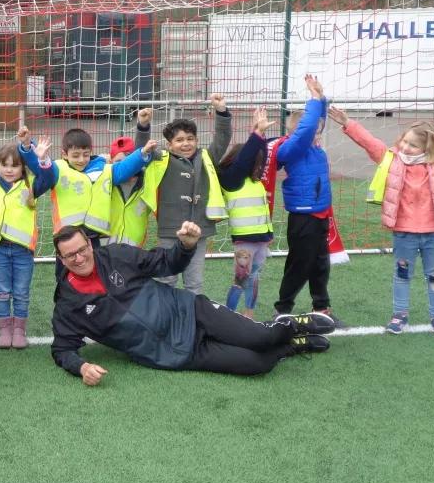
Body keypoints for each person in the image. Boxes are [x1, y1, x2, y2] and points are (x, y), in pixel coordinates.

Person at [50, 224, 334, 382]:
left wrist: (185, 246)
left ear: (89, 244)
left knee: (260, 335)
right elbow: (62, 348)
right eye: (70, 256)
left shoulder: (116, 256)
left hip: (191, 312)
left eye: (82, 249)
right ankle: (292, 345)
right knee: (257, 363)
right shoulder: (68, 305)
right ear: (61, 260)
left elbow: (165, 263)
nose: (79, 258)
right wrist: (82, 367)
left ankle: (292, 325)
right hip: (175, 353)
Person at [328, 93, 434, 338]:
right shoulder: (391, 159)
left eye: (413, 145)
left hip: (433, 234)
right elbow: (369, 142)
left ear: (428, 147)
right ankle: (399, 315)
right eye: (404, 141)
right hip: (404, 233)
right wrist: (347, 122)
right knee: (402, 275)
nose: (405, 147)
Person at [131, 94, 232, 295]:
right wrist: (143, 126)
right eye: (179, 140)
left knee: (194, 282)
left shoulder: (206, 157)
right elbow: (141, 152)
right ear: (169, 144)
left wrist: (221, 112)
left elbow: (222, 139)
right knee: (166, 278)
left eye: (190, 139)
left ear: (196, 140)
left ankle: (192, 319)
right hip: (170, 229)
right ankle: (164, 317)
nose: (185, 143)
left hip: (199, 228)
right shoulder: (161, 159)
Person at [0, 127, 57, 349]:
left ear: (23, 167)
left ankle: (19, 330)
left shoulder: (31, 186)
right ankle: (4, 330)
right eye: (4, 165)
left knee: (21, 292)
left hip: (23, 250)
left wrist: (40, 157)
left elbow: (49, 177)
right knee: (2, 291)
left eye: (15, 165)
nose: (9, 170)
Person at [270, 75, 342, 321]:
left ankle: (321, 308)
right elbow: (308, 127)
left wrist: (321, 98)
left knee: (321, 264)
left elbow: (316, 123)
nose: (318, 134)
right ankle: (283, 309)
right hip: (304, 217)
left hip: (320, 214)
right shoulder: (291, 147)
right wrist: (313, 100)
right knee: (299, 265)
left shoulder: (313, 146)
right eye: (314, 132)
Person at [50, 127, 157, 280]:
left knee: (97, 278)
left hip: (97, 239)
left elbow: (126, 167)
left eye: (85, 155)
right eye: (76, 155)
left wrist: (142, 152)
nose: (81, 159)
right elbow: (41, 172)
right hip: (67, 238)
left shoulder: (108, 172)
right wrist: (32, 152)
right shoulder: (59, 168)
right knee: (66, 279)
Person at [217, 107, 277, 318]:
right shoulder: (230, 179)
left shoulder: (253, 181)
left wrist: (268, 235)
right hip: (245, 240)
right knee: (241, 280)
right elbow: (245, 160)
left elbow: (257, 156)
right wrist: (257, 134)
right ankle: (229, 317)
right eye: (254, 161)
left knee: (254, 278)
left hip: (261, 238)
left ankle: (248, 315)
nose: (258, 165)